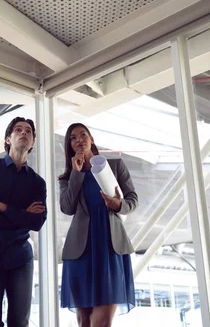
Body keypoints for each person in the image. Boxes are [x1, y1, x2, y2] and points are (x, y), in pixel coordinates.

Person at [59, 123, 138, 327]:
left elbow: (132, 201)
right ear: (69, 145)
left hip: (110, 248)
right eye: (73, 137)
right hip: (81, 250)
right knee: (84, 321)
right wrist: (76, 173)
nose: (79, 139)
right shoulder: (67, 177)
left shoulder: (115, 166)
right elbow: (67, 208)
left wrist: (118, 204)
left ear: (91, 139)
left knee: (101, 322)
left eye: (83, 135)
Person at [0, 116, 47, 327]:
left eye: (29, 131)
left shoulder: (37, 182)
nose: (24, 133)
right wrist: (23, 214)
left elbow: (38, 221)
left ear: (32, 143)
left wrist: (2, 207)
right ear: (7, 139)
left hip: (20, 258)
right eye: (18, 130)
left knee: (19, 323)